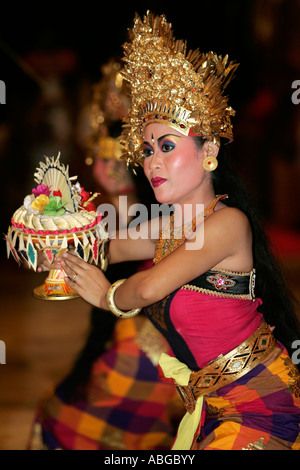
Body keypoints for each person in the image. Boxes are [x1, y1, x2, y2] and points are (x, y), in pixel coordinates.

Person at [41, 12, 300, 450]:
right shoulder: (166, 226)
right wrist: (54, 244)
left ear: (209, 151)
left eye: (167, 146)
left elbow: (145, 289)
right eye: (146, 150)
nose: (151, 162)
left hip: (261, 405)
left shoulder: (227, 224)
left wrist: (105, 294)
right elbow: (104, 245)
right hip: (211, 407)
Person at [29, 59, 184, 451]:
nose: (111, 167)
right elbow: (113, 245)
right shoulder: (134, 217)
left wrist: (105, 294)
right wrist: (64, 253)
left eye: (122, 157)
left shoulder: (209, 220)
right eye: (103, 155)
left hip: (193, 359)